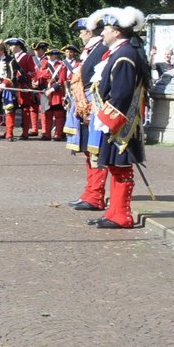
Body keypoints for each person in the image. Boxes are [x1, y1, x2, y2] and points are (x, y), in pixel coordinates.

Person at [88, 7, 148, 229]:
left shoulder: (125, 55)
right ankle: (114, 211)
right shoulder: (121, 52)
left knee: (121, 168)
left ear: (117, 32)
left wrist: (107, 119)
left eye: (106, 29)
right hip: (114, 120)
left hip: (120, 122)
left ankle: (122, 215)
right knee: (114, 166)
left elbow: (121, 94)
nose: (102, 33)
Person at [66, 12, 109, 212]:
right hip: (84, 105)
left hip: (94, 106)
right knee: (87, 150)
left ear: (89, 32)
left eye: (81, 33)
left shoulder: (101, 49)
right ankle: (90, 192)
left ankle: (95, 196)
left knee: (95, 151)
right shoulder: (91, 50)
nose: (79, 36)